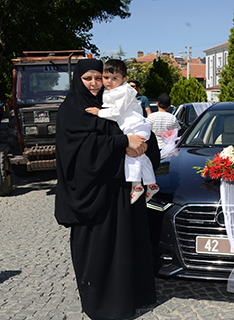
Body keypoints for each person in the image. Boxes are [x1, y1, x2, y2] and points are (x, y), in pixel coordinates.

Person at [55, 59, 159, 320]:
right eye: (87, 78)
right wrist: (121, 142)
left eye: (98, 78)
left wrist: (143, 144)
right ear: (78, 80)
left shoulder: (112, 102)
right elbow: (76, 151)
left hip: (120, 191)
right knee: (98, 251)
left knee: (127, 245)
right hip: (93, 194)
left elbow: (137, 127)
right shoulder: (71, 109)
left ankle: (132, 298)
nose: (93, 84)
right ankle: (100, 303)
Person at [86, 60, 159, 204]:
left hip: (134, 126)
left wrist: (98, 112)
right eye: (106, 78)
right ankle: (151, 183)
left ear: (124, 79)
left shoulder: (125, 91)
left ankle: (136, 185)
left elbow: (117, 112)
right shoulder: (113, 91)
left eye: (114, 78)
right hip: (132, 126)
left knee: (131, 154)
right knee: (140, 156)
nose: (109, 82)